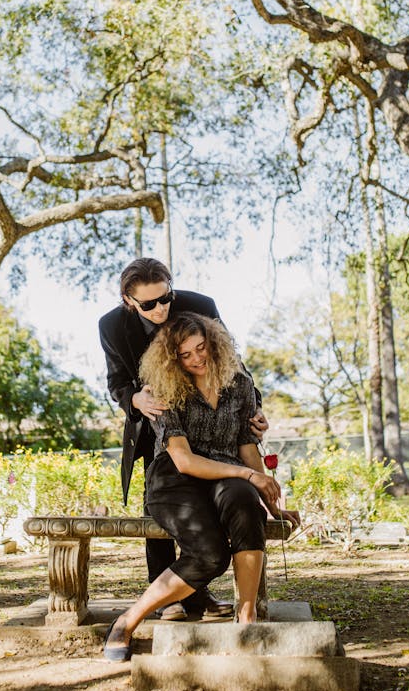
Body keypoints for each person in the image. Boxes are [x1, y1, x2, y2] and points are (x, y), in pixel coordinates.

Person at [103, 313, 281, 661]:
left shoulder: (239, 385)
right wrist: (249, 476)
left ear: (214, 344)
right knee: (210, 554)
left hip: (225, 475)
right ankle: (127, 620)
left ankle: (246, 620)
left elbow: (246, 450)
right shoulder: (165, 390)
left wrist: (270, 501)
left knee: (246, 502)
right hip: (175, 478)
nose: (197, 358)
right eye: (185, 355)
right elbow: (184, 460)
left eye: (201, 348)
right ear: (173, 359)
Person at [98, 257, 268, 619]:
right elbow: (116, 383)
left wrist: (253, 409)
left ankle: (197, 594)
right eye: (149, 304)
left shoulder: (201, 306)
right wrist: (134, 399)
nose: (161, 309)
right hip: (156, 420)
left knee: (211, 508)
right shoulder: (112, 326)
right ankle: (167, 596)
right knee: (168, 511)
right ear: (129, 300)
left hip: (214, 422)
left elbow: (232, 362)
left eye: (165, 298)